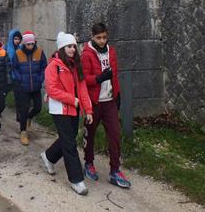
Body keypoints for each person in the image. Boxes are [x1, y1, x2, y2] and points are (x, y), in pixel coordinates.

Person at [40, 32, 93, 196]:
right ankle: (76, 180)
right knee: (70, 144)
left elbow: (82, 89)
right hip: (60, 109)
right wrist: (72, 99)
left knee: (67, 138)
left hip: (74, 108)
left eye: (74, 47)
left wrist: (88, 109)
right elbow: (52, 89)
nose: (72, 49)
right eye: (69, 46)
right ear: (62, 47)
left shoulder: (76, 66)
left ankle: (48, 157)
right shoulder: (53, 66)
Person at [81, 22, 131, 188]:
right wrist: (99, 78)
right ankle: (88, 163)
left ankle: (115, 170)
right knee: (90, 133)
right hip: (93, 102)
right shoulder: (87, 54)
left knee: (115, 135)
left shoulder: (112, 52)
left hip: (109, 100)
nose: (102, 41)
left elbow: (114, 75)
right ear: (92, 37)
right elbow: (84, 79)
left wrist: (117, 95)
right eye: (98, 38)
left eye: (104, 37)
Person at [11, 30, 47, 146]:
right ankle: (23, 132)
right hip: (23, 87)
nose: (30, 46)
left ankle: (28, 119)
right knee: (24, 110)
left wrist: (41, 78)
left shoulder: (40, 52)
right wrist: (20, 78)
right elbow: (14, 68)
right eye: (28, 44)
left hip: (36, 86)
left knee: (38, 107)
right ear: (24, 44)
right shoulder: (18, 54)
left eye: (32, 44)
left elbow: (44, 67)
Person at [6, 29, 23, 122]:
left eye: (19, 39)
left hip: (17, 76)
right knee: (3, 95)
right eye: (15, 39)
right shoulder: (6, 48)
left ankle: (19, 115)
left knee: (18, 96)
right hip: (8, 76)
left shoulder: (20, 48)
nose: (17, 41)